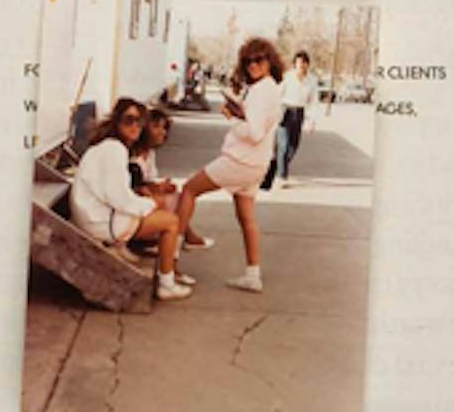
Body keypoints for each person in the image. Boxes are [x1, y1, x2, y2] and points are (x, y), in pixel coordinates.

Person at [176, 37, 283, 293]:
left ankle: (171, 261)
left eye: (259, 60)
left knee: (189, 190)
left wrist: (231, 118)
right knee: (246, 217)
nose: (253, 65)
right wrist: (240, 112)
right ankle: (253, 275)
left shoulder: (260, 91)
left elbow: (254, 133)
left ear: (269, 61)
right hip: (257, 164)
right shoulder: (271, 89)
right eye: (248, 61)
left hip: (240, 160)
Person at [70, 98, 191, 300]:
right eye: (129, 120)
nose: (135, 126)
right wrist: (150, 205)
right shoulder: (114, 150)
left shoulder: (109, 146)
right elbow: (118, 197)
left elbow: (115, 194)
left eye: (139, 122)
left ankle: (124, 248)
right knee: (171, 222)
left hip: (94, 216)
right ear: (117, 121)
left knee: (157, 205)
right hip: (100, 222)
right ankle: (167, 284)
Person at [130, 108, 214, 250]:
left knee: (176, 196)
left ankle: (181, 237)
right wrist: (155, 188)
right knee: (176, 200)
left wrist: (160, 186)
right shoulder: (133, 158)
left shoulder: (150, 153)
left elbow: (147, 181)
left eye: (164, 128)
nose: (162, 132)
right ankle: (177, 239)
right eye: (156, 127)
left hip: (144, 198)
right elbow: (135, 187)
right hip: (135, 205)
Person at [261, 48, 319, 190]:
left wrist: (311, 120)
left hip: (299, 112)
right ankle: (282, 176)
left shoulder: (312, 80)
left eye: (304, 63)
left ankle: (277, 165)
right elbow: (277, 94)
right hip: (285, 110)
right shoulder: (288, 77)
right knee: (284, 144)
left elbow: (313, 101)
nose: (301, 66)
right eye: (299, 63)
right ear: (295, 64)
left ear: (307, 65)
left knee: (293, 145)